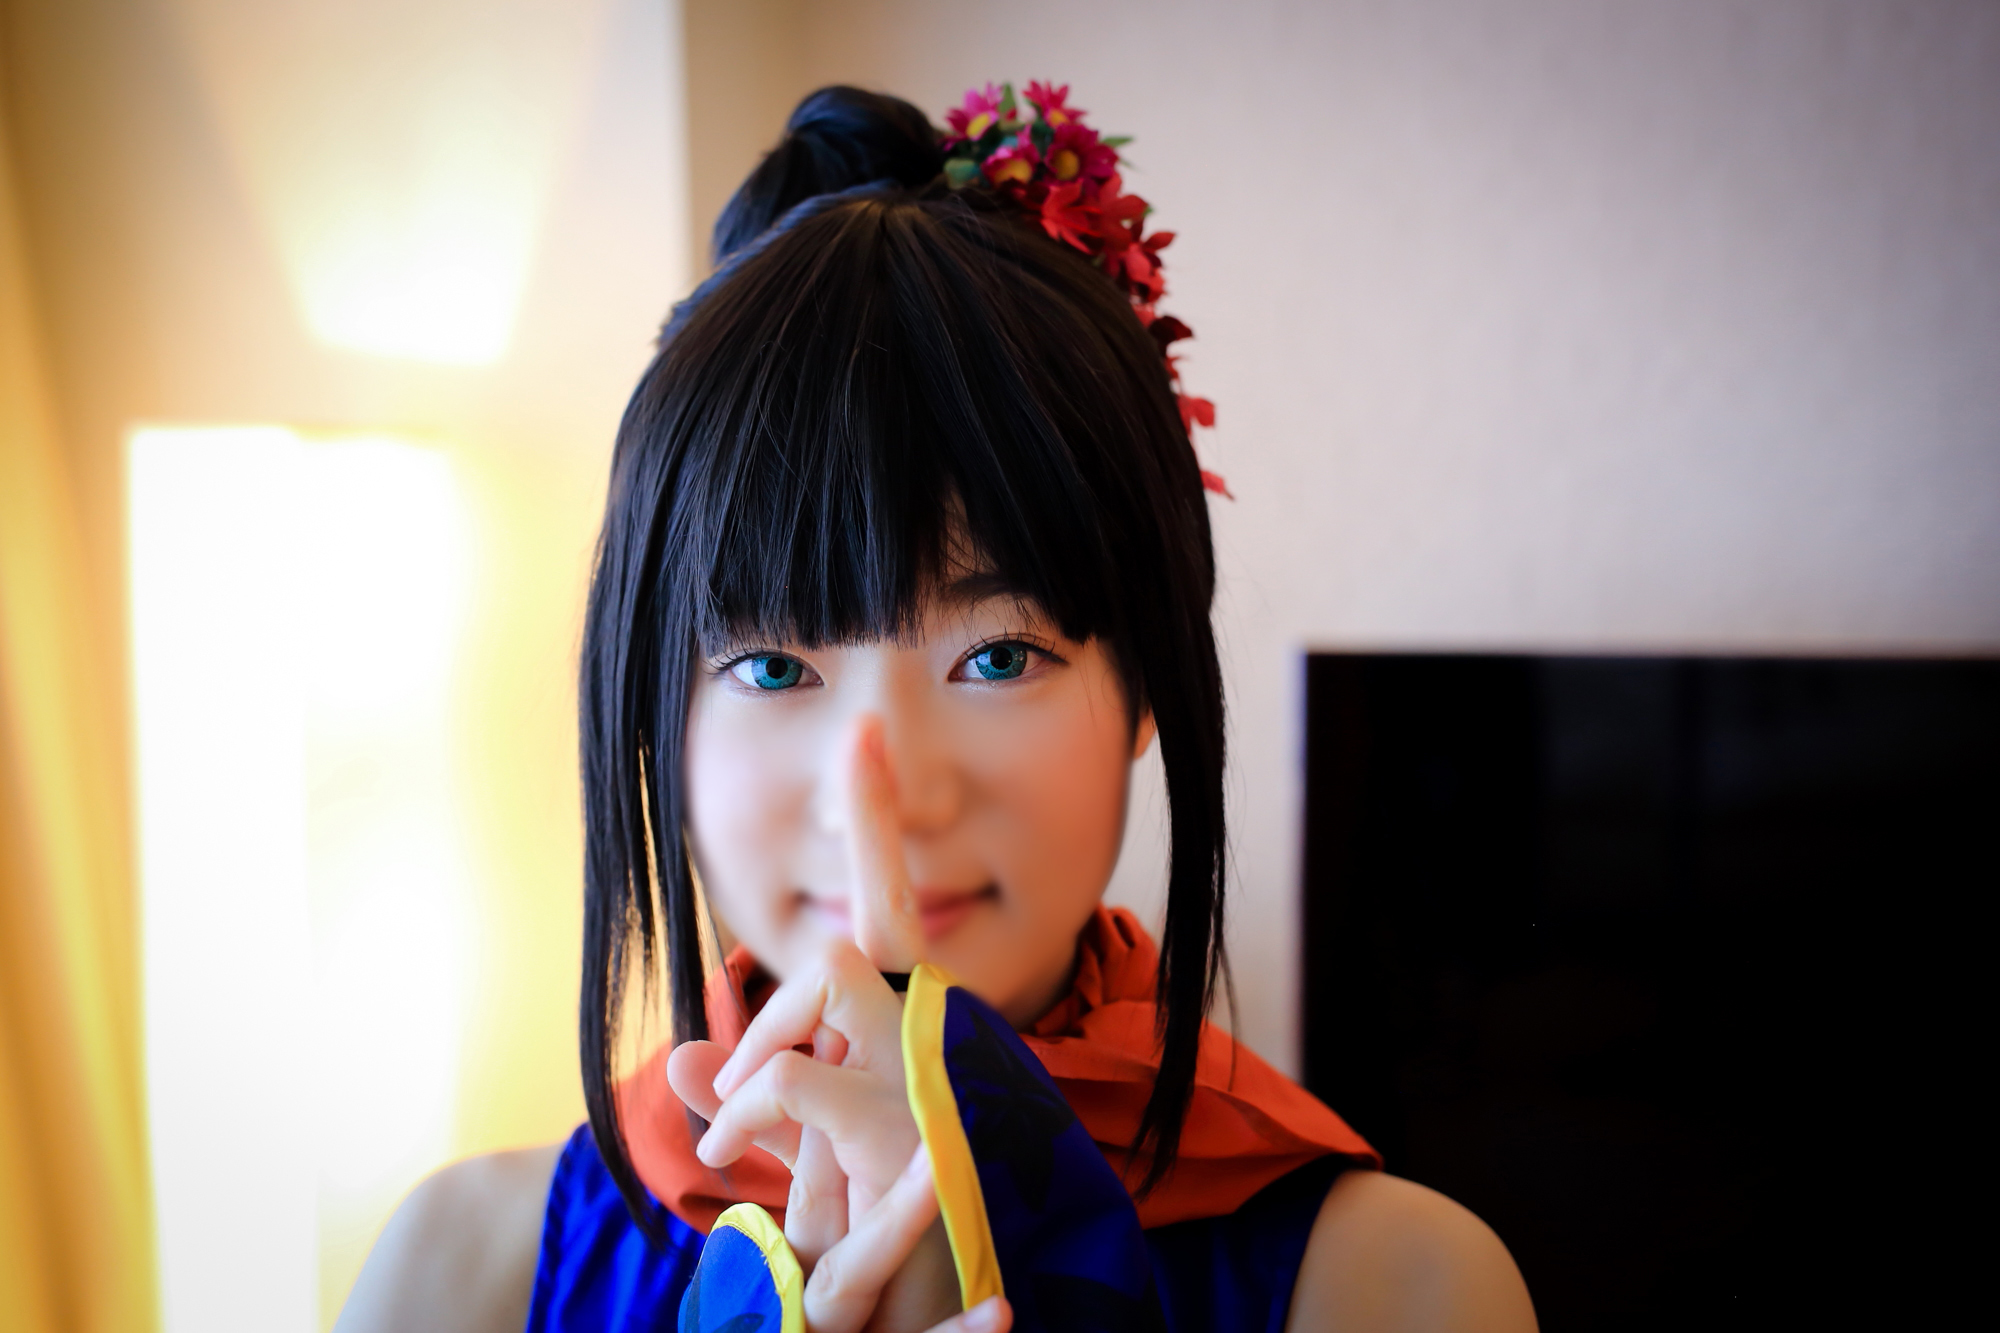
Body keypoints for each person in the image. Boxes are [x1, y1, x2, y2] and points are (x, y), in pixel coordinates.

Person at [336, 83, 1537, 1333]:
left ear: (1146, 683)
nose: (887, 791)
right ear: (655, 713)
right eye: (770, 667)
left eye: (1000, 655)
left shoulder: (1398, 1291)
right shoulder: (458, 1277)